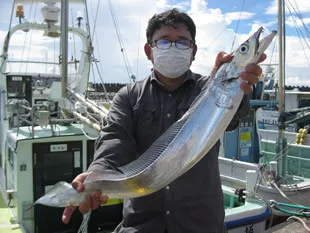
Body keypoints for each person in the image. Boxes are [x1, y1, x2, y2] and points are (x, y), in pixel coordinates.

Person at [62, 8, 266, 233]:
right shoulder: (129, 97)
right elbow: (114, 141)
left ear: (193, 51)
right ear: (149, 51)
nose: (174, 47)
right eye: (164, 42)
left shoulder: (209, 90)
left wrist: (240, 90)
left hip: (202, 225)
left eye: (182, 42)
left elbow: (233, 118)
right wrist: (96, 176)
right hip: (141, 226)